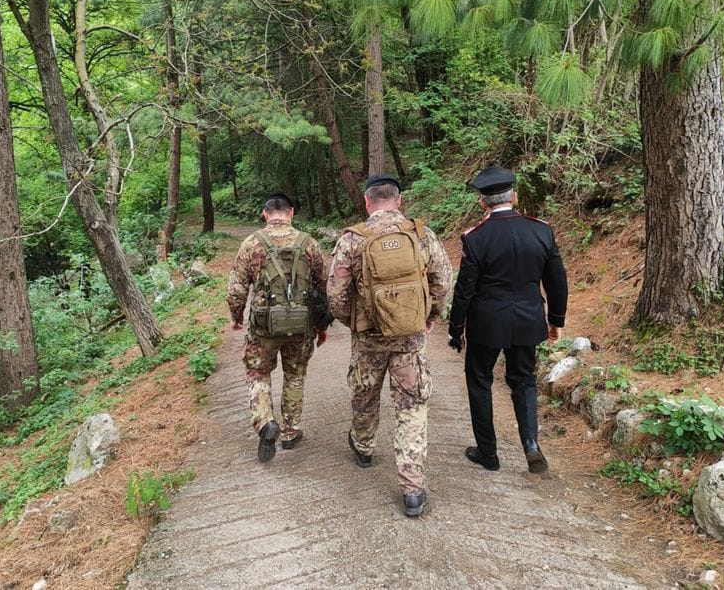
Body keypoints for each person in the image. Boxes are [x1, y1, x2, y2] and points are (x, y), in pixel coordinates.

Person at [327, 174, 452, 517]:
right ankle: (412, 488)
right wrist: (431, 316)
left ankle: (364, 448)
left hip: (368, 339)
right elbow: (443, 280)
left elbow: (335, 295)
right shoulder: (421, 234)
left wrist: (352, 322)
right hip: (410, 338)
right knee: (411, 406)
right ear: (399, 201)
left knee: (364, 395)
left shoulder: (353, 239)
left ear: (367, 202)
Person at [448, 166, 568, 474]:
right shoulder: (541, 230)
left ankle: (488, 453)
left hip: (486, 323)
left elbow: (465, 290)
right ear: (514, 196)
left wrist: (456, 329)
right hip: (528, 319)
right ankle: (530, 444)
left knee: (480, 381)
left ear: (483, 203)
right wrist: (556, 319)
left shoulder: (476, 237)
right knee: (524, 380)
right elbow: (557, 280)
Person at [227, 193, 333, 462]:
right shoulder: (309, 243)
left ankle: (264, 422)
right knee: (295, 374)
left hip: (263, 326)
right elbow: (324, 288)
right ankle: (290, 431)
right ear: (292, 212)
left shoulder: (251, 244)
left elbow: (236, 289)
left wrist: (237, 316)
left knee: (257, 373)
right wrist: (321, 325)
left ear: (265, 213)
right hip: (301, 324)